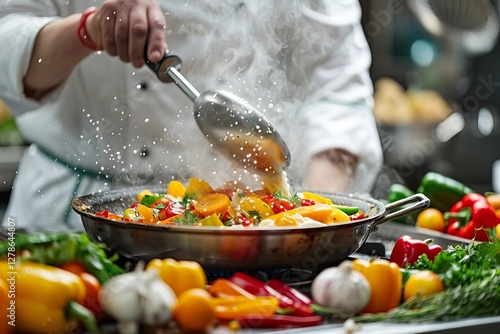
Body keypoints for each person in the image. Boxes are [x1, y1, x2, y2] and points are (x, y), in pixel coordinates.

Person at [0, 0, 383, 231]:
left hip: (236, 226)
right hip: (72, 218)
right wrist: (87, 30)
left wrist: (314, 224)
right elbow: (8, 41)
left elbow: (335, 85)